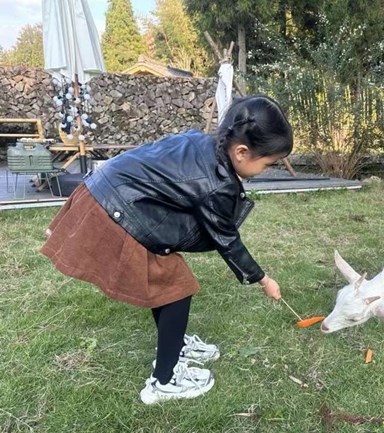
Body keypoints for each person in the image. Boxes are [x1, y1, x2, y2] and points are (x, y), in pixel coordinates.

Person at [40, 95, 293, 404]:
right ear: (241, 152)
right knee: (176, 289)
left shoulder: (202, 142)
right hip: (115, 207)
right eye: (267, 164)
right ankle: (164, 381)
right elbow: (226, 238)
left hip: (106, 192)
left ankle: (175, 344)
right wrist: (263, 279)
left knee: (167, 282)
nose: (266, 169)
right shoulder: (217, 184)